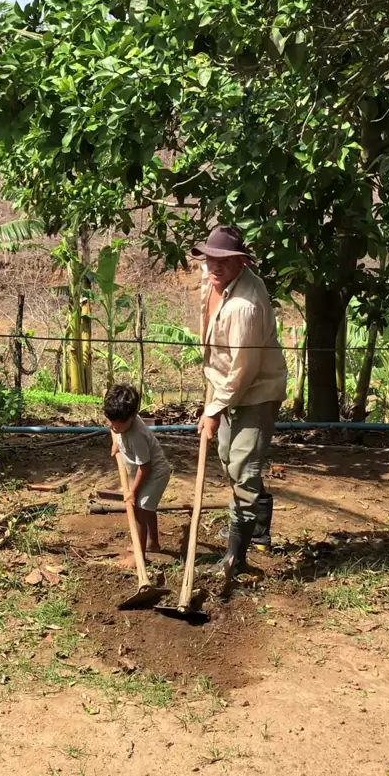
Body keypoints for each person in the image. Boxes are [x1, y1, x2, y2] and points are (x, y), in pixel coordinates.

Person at [192, 226, 287, 578]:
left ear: (241, 262)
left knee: (244, 470)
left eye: (225, 260)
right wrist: (214, 397)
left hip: (256, 391)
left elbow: (243, 371)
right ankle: (256, 526)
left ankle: (237, 558)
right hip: (225, 385)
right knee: (229, 458)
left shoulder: (245, 307)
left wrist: (214, 410)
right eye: (211, 259)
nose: (215, 266)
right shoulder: (212, 281)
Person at [104, 384, 170, 556]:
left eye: (117, 424)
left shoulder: (136, 436)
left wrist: (132, 491)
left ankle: (138, 555)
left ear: (132, 417)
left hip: (154, 475)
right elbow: (117, 431)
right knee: (147, 508)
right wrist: (117, 444)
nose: (112, 427)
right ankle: (152, 543)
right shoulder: (122, 418)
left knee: (140, 510)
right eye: (110, 421)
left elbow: (145, 467)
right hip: (145, 472)